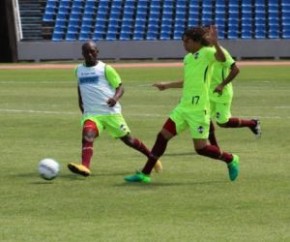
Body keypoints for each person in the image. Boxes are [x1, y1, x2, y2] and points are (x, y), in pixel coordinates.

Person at [125, 26, 239, 184]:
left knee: (201, 149)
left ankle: (231, 159)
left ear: (197, 42)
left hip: (199, 109)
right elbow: (188, 82)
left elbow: (222, 59)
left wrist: (216, 43)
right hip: (183, 107)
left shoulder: (207, 53)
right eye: (183, 41)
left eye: (187, 41)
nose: (184, 44)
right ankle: (145, 174)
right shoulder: (188, 59)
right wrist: (167, 85)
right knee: (162, 136)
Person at [68, 41, 162, 177]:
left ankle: (152, 158)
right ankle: (85, 167)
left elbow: (120, 87)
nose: (89, 54)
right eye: (86, 52)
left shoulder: (106, 69)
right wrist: (81, 104)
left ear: (97, 52)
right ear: (82, 54)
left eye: (92, 51)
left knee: (129, 140)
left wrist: (115, 98)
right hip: (92, 114)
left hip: (110, 113)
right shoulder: (78, 70)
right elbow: (80, 86)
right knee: (87, 135)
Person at [202, 26, 261, 148]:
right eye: (204, 34)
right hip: (208, 92)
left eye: (208, 34)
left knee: (223, 123)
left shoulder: (221, 52)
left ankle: (252, 123)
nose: (206, 37)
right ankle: (215, 147)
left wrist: (222, 85)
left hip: (221, 92)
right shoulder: (203, 52)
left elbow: (235, 69)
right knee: (204, 117)